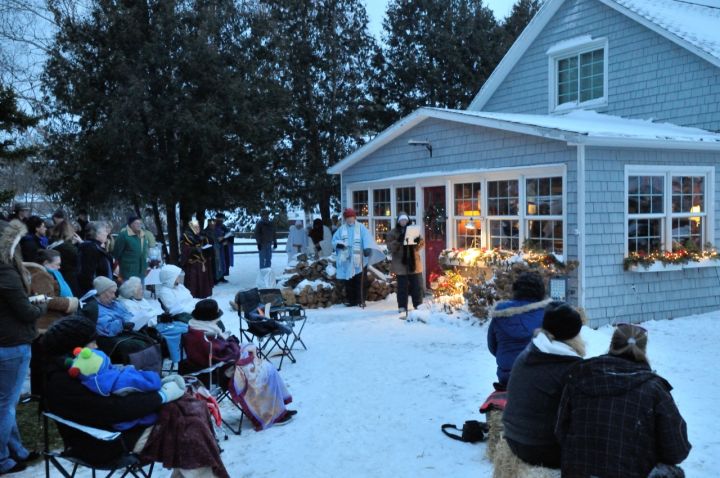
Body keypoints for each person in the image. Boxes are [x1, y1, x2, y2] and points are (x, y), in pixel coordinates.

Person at [41, 316, 230, 477]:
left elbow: (114, 390)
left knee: (190, 408)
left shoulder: (79, 369)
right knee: (189, 425)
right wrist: (161, 396)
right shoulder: (64, 381)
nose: (97, 345)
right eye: (92, 342)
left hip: (115, 428)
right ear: (75, 348)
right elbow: (114, 410)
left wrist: (157, 388)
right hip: (105, 441)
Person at [556, 323, 691, 478]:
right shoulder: (654, 389)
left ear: (612, 344)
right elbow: (677, 451)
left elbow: (561, 430)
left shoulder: (579, 375)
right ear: (643, 350)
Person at [184, 299, 296, 430]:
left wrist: (231, 343)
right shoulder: (202, 335)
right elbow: (225, 354)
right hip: (216, 374)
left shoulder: (198, 327)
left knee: (266, 367)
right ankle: (270, 414)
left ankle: (278, 408)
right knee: (264, 372)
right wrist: (233, 344)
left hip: (221, 366)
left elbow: (222, 347)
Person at [501, 302, 584, 470]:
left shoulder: (530, 352)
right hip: (543, 448)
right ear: (573, 335)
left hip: (512, 438)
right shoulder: (572, 368)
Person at [0, 219, 47, 474]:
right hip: (11, 344)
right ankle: (2, 459)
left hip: (7, 341)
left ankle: (15, 450)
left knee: (5, 402)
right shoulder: (5, 271)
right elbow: (25, 311)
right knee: (5, 404)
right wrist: (40, 306)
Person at [487, 271, 551, 389]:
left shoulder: (501, 314)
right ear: (541, 291)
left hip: (507, 378)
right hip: (538, 377)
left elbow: (492, 347)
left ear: (515, 290)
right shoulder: (548, 313)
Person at [24, 249, 79, 332]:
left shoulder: (46, 274)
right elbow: (45, 299)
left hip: (49, 322)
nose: (59, 267)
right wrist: (70, 303)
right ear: (46, 263)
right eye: (57, 264)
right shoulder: (41, 275)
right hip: (46, 324)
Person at [332, 208, 376, 307]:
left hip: (359, 258)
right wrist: (338, 245)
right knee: (349, 280)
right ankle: (351, 300)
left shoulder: (361, 228)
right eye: (347, 218)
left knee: (360, 280)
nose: (349, 219)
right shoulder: (341, 229)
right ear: (345, 219)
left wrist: (367, 248)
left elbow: (367, 238)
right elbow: (334, 240)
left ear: (354, 217)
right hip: (347, 258)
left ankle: (360, 299)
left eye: (351, 217)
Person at [386, 212, 424, 316]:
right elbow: (390, 248)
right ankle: (402, 306)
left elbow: (420, 246)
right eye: (401, 220)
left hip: (413, 262)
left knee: (416, 286)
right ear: (398, 221)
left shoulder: (413, 230)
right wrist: (398, 241)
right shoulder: (392, 233)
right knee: (402, 287)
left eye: (405, 220)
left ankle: (418, 305)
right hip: (400, 263)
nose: (404, 222)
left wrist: (417, 242)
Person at [77, 222, 113, 296]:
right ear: (97, 234)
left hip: (102, 290)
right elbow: (87, 273)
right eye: (104, 231)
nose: (107, 234)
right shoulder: (90, 248)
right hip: (96, 292)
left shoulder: (96, 247)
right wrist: (93, 291)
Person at [47, 219, 82, 296]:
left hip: (59, 276)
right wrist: (81, 243)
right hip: (69, 278)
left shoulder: (53, 243)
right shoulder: (66, 247)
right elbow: (80, 257)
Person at [179, 220, 212, 298]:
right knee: (193, 282)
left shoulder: (201, 236)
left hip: (202, 262)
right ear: (191, 227)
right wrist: (195, 249)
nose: (198, 228)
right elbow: (184, 250)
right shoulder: (186, 236)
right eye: (195, 227)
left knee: (203, 279)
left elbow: (206, 245)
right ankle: (192, 295)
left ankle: (203, 294)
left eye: (198, 227)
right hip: (193, 263)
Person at [112, 215, 149, 283]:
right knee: (129, 292)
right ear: (130, 224)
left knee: (140, 292)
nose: (139, 225)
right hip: (128, 272)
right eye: (136, 223)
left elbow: (144, 252)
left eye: (140, 223)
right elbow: (116, 253)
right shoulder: (123, 235)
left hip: (141, 272)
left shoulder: (143, 235)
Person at [214, 213, 233, 282]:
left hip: (224, 247)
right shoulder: (214, 226)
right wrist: (220, 240)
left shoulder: (223, 226)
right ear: (217, 218)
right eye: (220, 218)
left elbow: (228, 234)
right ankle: (216, 278)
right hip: (217, 247)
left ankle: (222, 276)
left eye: (222, 219)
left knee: (224, 263)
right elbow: (213, 236)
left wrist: (227, 239)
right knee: (218, 263)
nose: (221, 220)